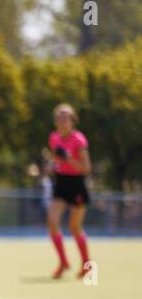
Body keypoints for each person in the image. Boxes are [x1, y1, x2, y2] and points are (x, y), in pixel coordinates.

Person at [42, 103, 92, 279]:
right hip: (61, 183)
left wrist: (68, 158)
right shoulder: (54, 138)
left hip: (77, 184)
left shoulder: (79, 140)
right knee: (52, 222)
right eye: (59, 118)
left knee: (74, 227)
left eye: (66, 118)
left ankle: (87, 265)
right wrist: (51, 166)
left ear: (73, 121)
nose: (63, 121)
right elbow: (56, 161)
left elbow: (86, 168)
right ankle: (63, 262)